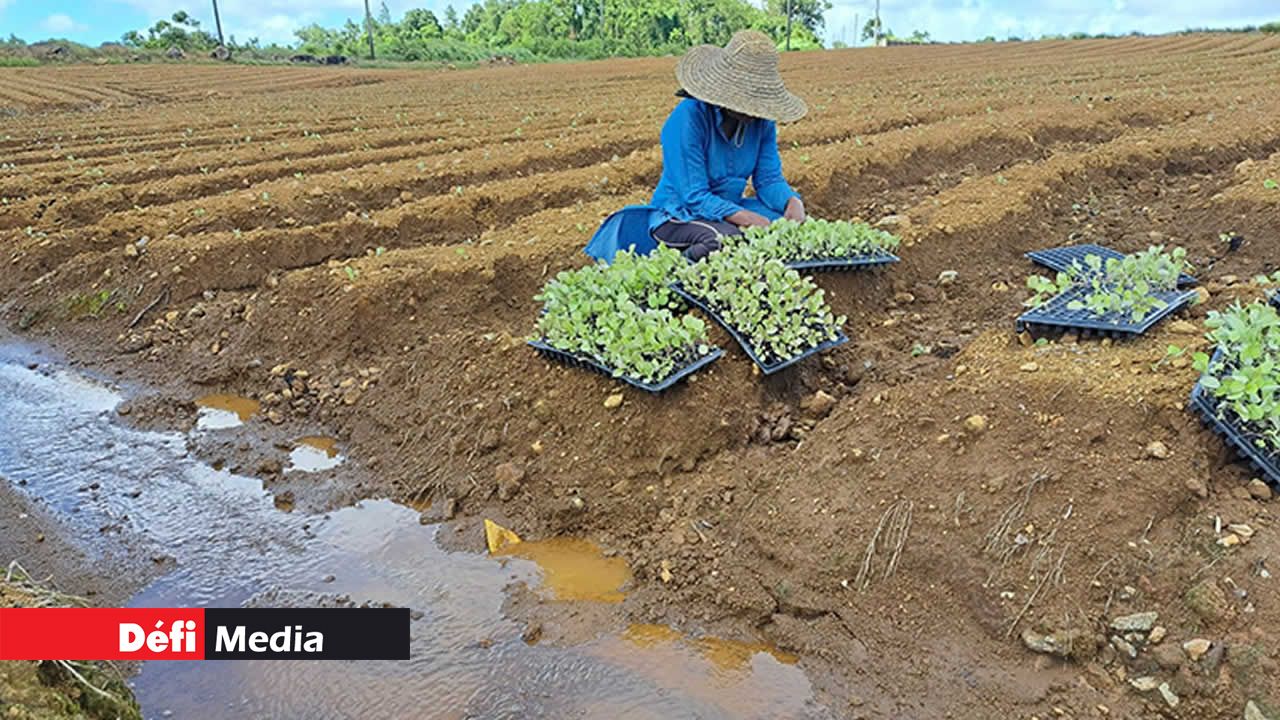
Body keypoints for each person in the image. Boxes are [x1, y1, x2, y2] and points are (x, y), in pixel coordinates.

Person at [585, 30, 808, 262]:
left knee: (788, 227)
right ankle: (672, 280)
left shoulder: (762, 123)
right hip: (680, 213)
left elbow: (768, 179)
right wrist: (747, 218)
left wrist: (792, 202)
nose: (755, 111)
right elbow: (694, 195)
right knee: (723, 241)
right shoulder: (688, 118)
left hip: (728, 210)